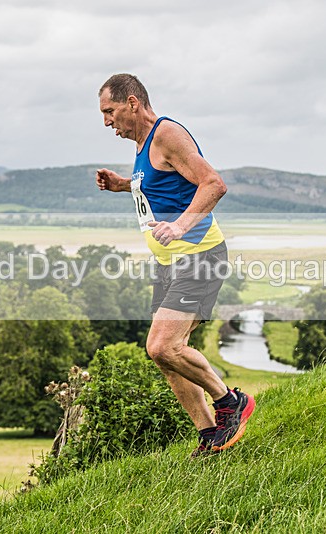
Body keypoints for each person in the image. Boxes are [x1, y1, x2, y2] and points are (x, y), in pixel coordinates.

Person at [95, 73, 255, 457]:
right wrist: (123, 185)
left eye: (110, 111)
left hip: (198, 257)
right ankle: (212, 433)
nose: (106, 122)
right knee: (167, 356)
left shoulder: (166, 133)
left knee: (162, 346)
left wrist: (181, 225)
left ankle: (231, 401)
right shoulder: (141, 145)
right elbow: (163, 187)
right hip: (170, 264)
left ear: (133, 102)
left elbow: (213, 183)